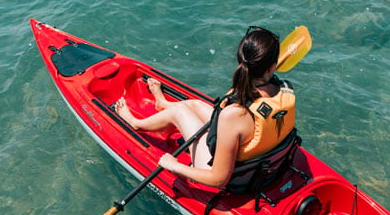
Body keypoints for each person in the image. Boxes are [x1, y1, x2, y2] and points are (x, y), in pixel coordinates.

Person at [114, 25, 295, 189]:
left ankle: (135, 122)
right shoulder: (285, 89)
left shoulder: (234, 115)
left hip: (238, 177)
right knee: (195, 104)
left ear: (241, 62)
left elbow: (219, 179)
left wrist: (174, 165)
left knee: (180, 111)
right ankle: (164, 104)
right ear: (271, 68)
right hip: (264, 156)